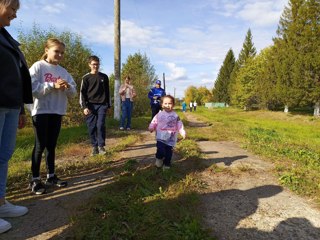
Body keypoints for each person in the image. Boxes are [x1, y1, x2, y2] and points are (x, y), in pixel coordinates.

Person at [28, 38, 77, 195]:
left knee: (51, 145)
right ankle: (35, 179)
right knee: (40, 145)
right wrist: (52, 85)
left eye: (62, 52)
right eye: (56, 51)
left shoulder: (63, 72)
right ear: (47, 50)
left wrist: (67, 86)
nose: (60, 55)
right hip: (41, 111)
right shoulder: (38, 66)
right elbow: (32, 89)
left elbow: (74, 93)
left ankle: (51, 176)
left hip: (57, 111)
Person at [0, 0, 32, 233]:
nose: (14, 15)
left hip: (10, 104)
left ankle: (0, 203)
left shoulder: (7, 38)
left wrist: (21, 109)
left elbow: (17, 76)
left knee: (3, 155)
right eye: (12, 9)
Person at [80, 55, 111, 156]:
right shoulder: (86, 78)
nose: (96, 66)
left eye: (97, 64)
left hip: (102, 105)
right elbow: (82, 94)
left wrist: (108, 106)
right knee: (91, 127)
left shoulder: (104, 77)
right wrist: (84, 107)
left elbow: (108, 92)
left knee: (100, 125)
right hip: (90, 106)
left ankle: (101, 146)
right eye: (93, 64)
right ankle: (94, 147)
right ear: (89, 65)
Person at [149, 95, 186, 170]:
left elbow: (179, 123)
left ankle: (167, 164)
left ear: (173, 105)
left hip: (171, 137)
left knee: (169, 152)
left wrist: (182, 131)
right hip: (161, 136)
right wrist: (151, 127)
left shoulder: (175, 115)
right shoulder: (159, 114)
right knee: (161, 149)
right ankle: (159, 158)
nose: (167, 105)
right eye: (165, 103)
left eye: (170, 103)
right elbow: (154, 121)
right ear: (162, 105)